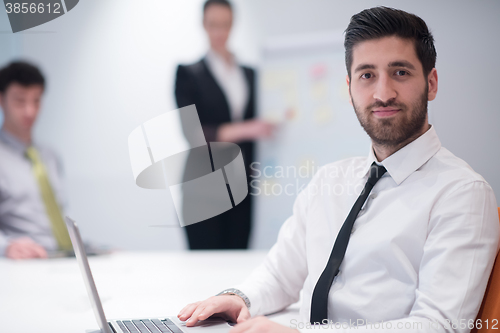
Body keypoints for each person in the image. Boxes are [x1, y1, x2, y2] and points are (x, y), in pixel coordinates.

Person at [176, 7, 499, 333]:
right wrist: (241, 298)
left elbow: (439, 326)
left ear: (431, 83)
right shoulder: (329, 180)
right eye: (367, 75)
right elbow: (281, 272)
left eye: (400, 72)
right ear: (349, 88)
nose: (383, 93)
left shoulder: (462, 194)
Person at [175, 0, 274, 250]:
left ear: (233, 25)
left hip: (242, 186)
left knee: (237, 268)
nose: (219, 32)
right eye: (213, 25)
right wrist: (249, 129)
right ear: (203, 25)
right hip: (202, 188)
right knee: (204, 269)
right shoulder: (188, 74)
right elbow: (195, 135)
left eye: (225, 25)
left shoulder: (250, 74)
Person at [0, 61, 71, 259]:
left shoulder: (50, 156)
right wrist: (6, 246)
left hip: (62, 259)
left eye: (36, 101)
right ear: (1, 100)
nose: (30, 111)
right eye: (20, 101)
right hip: (23, 262)